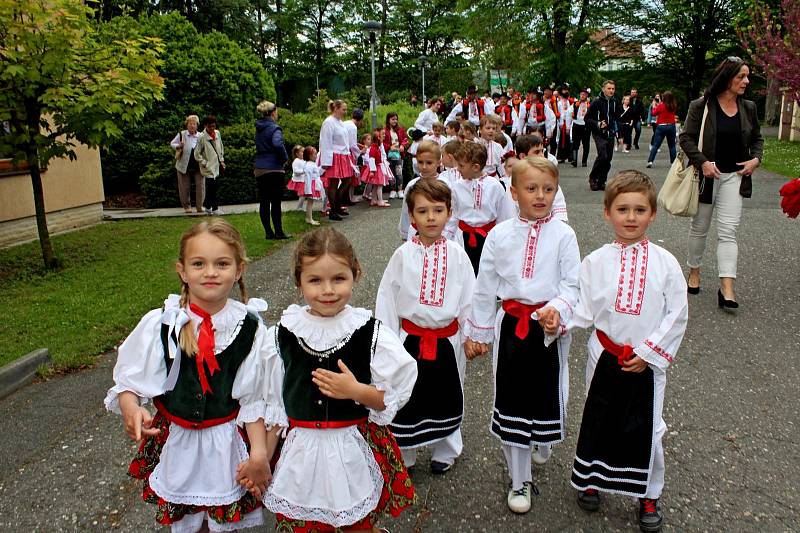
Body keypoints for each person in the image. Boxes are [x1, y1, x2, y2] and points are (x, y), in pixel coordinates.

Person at [104, 219, 274, 531]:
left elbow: (256, 398)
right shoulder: (163, 323)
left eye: (222, 263)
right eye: (199, 263)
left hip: (224, 443)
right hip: (178, 441)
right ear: (182, 270)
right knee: (186, 522)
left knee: (223, 522)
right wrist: (130, 405)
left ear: (238, 270)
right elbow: (130, 379)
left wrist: (259, 452)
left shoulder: (250, 330)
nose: (210, 272)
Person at [260, 227, 418, 532]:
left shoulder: (369, 331)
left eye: (338, 279)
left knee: (356, 521)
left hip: (351, 447)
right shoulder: (282, 334)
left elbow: (393, 394)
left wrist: (357, 390)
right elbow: (274, 407)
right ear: (299, 281)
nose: (328, 290)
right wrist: (263, 459)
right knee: (304, 523)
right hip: (302, 453)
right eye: (315, 280)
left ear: (355, 274)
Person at [567, 170, 688, 533]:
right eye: (622, 209)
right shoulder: (595, 261)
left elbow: (677, 312)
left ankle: (649, 493)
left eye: (639, 210)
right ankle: (592, 477)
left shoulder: (666, 263)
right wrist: (556, 319)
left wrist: (651, 352)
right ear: (607, 213)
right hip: (603, 355)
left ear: (653, 213)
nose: (631, 217)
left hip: (647, 363)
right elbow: (582, 309)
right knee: (598, 416)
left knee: (649, 429)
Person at [465, 157, 580, 514]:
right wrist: (479, 332)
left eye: (548, 189)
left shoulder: (564, 233)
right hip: (512, 329)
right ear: (514, 193)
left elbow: (573, 284)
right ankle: (519, 480)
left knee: (547, 394)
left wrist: (558, 310)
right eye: (531, 189)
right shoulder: (500, 235)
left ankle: (542, 438)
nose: (540, 196)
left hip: (549, 329)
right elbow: (485, 287)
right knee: (513, 400)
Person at [377, 179, 476, 475]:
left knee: (448, 393)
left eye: (438, 210)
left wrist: (471, 334)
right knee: (407, 395)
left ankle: (446, 449)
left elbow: (470, 297)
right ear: (411, 216)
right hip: (410, 338)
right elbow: (387, 298)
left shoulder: (458, 255)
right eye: (423, 211)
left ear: (449, 214)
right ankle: (405, 450)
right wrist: (385, 343)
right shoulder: (403, 255)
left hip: (448, 339)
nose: (431, 217)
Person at [679, 56, 763, 310]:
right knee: (700, 228)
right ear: (727, 78)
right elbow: (686, 138)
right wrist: (703, 162)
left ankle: (727, 287)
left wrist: (756, 160)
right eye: (741, 76)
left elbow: (758, 138)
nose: (746, 81)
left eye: (747, 76)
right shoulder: (701, 105)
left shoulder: (748, 108)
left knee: (728, 232)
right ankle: (694, 271)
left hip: (735, 178)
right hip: (707, 177)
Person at [452, 142, 515, 274]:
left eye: (461, 166)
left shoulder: (495, 186)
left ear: (475, 167)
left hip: (488, 236)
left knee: (487, 270)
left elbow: (503, 216)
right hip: (463, 236)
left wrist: (504, 242)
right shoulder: (456, 186)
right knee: (465, 271)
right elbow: (452, 215)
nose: (458, 169)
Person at [254, 101, 291, 238]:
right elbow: (277, 144)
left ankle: (268, 232)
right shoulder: (275, 128)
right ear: (273, 112)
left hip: (259, 167)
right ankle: (279, 231)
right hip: (274, 167)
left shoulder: (259, 128)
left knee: (264, 201)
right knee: (275, 202)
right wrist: (284, 158)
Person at [319, 100, 354, 221]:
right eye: (343, 109)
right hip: (334, 155)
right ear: (336, 109)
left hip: (342, 154)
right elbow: (325, 141)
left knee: (347, 180)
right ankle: (333, 210)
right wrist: (326, 161)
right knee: (333, 183)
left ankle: (337, 206)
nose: (345, 112)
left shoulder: (340, 122)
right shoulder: (328, 123)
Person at [585, 80, 619, 191]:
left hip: (610, 132)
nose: (611, 91)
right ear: (603, 89)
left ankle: (602, 181)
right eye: (609, 88)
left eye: (613, 89)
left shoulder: (614, 102)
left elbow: (616, 117)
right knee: (602, 155)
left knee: (608, 158)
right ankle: (593, 177)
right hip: (599, 133)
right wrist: (598, 124)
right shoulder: (596, 102)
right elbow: (587, 118)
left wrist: (618, 131)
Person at [170, 114, 204, 214]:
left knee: (201, 185)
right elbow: (172, 143)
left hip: (198, 165)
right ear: (187, 124)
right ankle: (187, 207)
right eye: (190, 123)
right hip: (183, 165)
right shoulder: (182, 134)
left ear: (197, 125)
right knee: (184, 187)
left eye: (194, 124)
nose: (192, 125)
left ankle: (200, 206)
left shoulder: (201, 136)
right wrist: (178, 146)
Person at [195, 115, 225, 214]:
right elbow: (197, 154)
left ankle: (207, 206)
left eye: (213, 126)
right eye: (210, 126)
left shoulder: (217, 133)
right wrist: (205, 163)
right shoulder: (201, 137)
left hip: (217, 165)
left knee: (213, 187)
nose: (212, 128)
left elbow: (220, 147)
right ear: (205, 125)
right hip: (208, 167)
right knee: (212, 187)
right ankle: (215, 208)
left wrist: (222, 160)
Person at [646, 91, 678, 167]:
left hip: (661, 126)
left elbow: (653, 113)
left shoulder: (661, 105)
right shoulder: (673, 105)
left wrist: (654, 106)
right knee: (672, 146)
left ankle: (650, 161)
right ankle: (673, 163)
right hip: (671, 126)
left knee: (656, 145)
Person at [383, 112, 409, 197]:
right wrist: (389, 147)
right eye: (393, 119)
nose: (395, 121)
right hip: (388, 155)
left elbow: (406, 139)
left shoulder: (400, 129)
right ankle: (393, 190)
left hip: (398, 155)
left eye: (396, 119)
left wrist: (402, 145)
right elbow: (381, 142)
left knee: (399, 173)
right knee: (391, 174)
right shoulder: (384, 130)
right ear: (388, 120)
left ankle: (400, 190)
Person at [344, 108, 365, 205]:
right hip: (348, 153)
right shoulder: (353, 127)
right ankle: (347, 199)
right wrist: (361, 152)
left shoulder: (346, 123)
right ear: (360, 120)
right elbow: (352, 145)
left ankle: (347, 198)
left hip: (343, 151)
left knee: (345, 177)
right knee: (349, 177)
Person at [366, 129, 392, 208]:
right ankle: (380, 201)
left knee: (376, 186)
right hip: (377, 168)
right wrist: (372, 171)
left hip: (377, 168)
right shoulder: (374, 148)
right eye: (382, 135)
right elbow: (371, 159)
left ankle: (374, 200)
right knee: (380, 185)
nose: (384, 136)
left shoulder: (376, 147)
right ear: (378, 138)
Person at [301, 146, 323, 226]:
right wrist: (308, 190)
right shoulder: (309, 165)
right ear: (310, 155)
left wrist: (323, 168)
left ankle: (309, 218)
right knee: (310, 202)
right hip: (311, 185)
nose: (316, 155)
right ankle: (309, 218)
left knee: (311, 202)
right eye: (315, 154)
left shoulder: (311, 164)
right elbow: (308, 177)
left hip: (313, 184)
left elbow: (317, 173)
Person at [571, 89, 591, 167]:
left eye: (584, 94)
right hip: (577, 124)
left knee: (586, 144)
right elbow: (570, 113)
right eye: (581, 94)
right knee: (575, 143)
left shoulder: (590, 104)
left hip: (586, 126)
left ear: (587, 96)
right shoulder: (575, 103)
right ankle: (574, 160)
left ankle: (584, 161)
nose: (582, 96)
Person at [288, 145, 307, 210]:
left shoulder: (304, 160)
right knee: (302, 194)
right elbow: (296, 171)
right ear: (297, 154)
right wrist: (303, 171)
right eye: (302, 152)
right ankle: (299, 207)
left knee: (303, 195)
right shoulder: (296, 161)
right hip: (299, 180)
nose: (304, 153)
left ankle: (300, 207)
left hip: (303, 180)